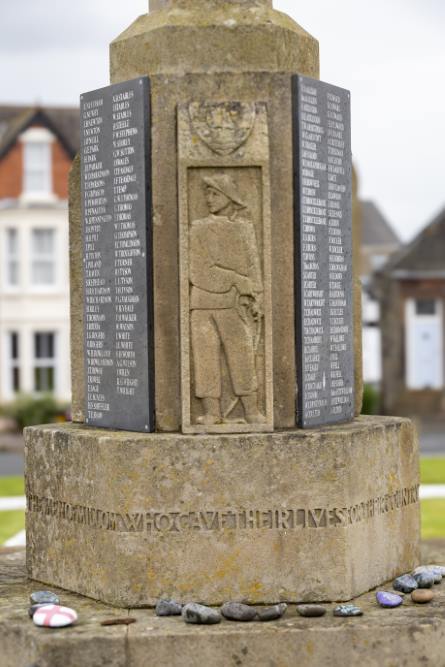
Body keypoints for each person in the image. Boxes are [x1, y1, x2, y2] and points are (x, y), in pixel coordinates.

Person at [189, 173, 266, 425]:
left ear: (229, 197)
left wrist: (257, 296)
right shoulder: (198, 229)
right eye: (206, 194)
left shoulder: (244, 229)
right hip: (202, 304)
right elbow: (198, 270)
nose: (208, 199)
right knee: (206, 359)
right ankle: (212, 412)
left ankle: (251, 410)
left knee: (242, 356)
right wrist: (236, 279)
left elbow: (253, 268)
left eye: (214, 194)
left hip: (235, 306)